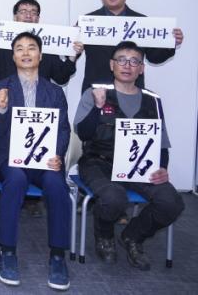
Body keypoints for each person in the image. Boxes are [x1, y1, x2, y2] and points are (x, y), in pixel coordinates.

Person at [74, 41, 184, 270]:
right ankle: (104, 235)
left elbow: (161, 142)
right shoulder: (95, 93)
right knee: (114, 198)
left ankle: (133, 236)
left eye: (134, 61)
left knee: (171, 202)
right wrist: (97, 107)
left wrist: (162, 168)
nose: (127, 65)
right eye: (121, 60)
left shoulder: (152, 100)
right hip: (98, 163)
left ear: (141, 68)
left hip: (139, 166)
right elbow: (83, 133)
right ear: (112, 65)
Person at [0, 32, 71, 290]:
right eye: (20, 49)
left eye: (31, 48)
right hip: (9, 157)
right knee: (15, 179)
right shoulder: (1, 86)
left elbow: (63, 129)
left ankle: (58, 255)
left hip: (44, 159)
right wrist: (1, 108)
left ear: (40, 55)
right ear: (13, 56)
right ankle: (7, 251)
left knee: (57, 184)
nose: (26, 53)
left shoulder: (55, 91)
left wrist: (57, 155)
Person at [79, 0, 184, 93]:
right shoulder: (87, 22)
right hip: (96, 92)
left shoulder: (142, 22)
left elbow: (154, 57)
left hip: (132, 92)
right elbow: (71, 56)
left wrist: (170, 43)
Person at [0, 0, 82, 85]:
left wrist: (72, 55)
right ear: (15, 17)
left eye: (33, 12)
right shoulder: (1, 42)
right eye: (23, 12)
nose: (28, 16)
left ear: (38, 18)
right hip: (5, 99)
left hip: (40, 99)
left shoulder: (47, 44)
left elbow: (61, 78)